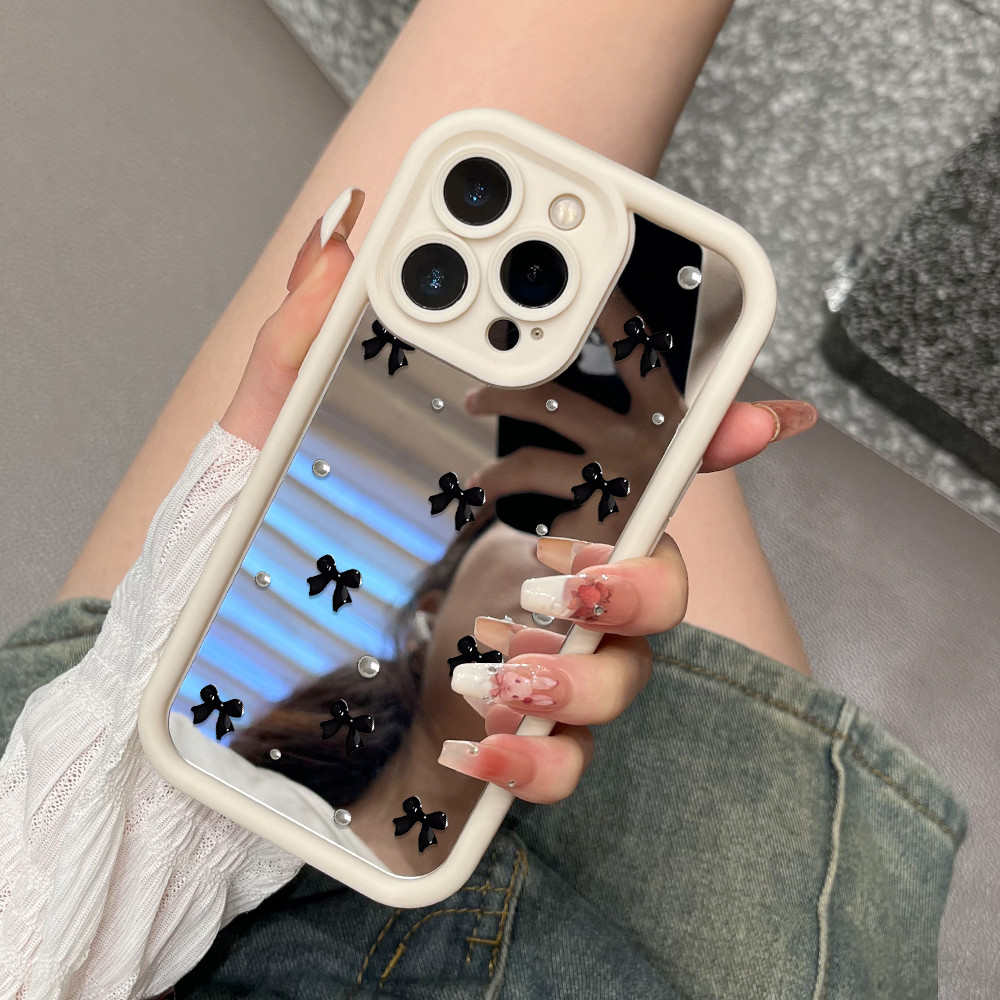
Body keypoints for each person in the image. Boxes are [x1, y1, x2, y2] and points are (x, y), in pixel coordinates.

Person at [0, 2, 965, 997]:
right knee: (640, 380)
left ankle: (631, 301)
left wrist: (188, 781)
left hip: (113, 821)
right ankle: (637, 312)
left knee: (586, 279)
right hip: (607, 929)